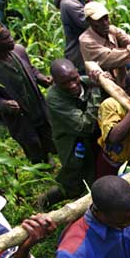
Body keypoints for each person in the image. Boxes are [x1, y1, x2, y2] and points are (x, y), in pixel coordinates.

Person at [0, 21, 55, 163]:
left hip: (37, 107)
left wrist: (41, 78)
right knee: (32, 145)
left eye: (9, 35)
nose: (11, 39)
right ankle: (42, 169)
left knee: (49, 136)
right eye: (5, 38)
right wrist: (4, 104)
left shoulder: (19, 51)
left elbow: (30, 69)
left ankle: (52, 156)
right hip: (20, 117)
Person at [44, 59, 102, 203]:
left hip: (92, 139)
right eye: (64, 83)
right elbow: (85, 126)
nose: (72, 85)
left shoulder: (86, 82)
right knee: (73, 180)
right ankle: (46, 200)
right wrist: (96, 91)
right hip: (70, 141)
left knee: (93, 174)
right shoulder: (54, 98)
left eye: (74, 79)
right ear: (55, 82)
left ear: (77, 71)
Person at [79, 1, 130, 84]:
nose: (105, 23)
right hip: (102, 86)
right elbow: (111, 58)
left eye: (106, 18)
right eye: (99, 20)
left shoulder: (111, 30)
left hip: (120, 81)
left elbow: (128, 40)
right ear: (89, 21)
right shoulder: (86, 40)